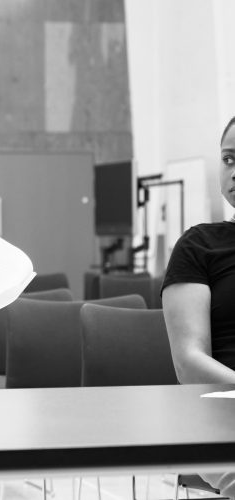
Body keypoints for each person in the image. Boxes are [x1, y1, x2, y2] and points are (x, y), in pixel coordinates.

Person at [162, 115, 235, 498]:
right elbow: (188, 361)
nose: (234, 171)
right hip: (220, 414)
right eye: (228, 159)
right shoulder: (199, 245)